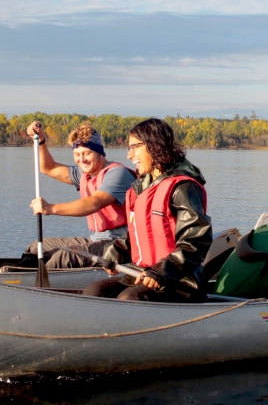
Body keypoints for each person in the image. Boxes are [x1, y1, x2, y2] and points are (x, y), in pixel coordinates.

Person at [83, 118, 212, 302]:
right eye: (129, 148)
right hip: (144, 274)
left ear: (154, 145)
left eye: (134, 147)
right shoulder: (142, 188)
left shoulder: (183, 187)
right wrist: (115, 252)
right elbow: (139, 237)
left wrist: (161, 271)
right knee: (95, 290)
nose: (129, 155)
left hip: (180, 281)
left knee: (129, 298)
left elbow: (196, 241)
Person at [24, 121, 136, 268]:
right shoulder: (83, 174)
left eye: (87, 153)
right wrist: (41, 141)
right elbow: (48, 168)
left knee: (65, 257)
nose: (81, 159)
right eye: (77, 154)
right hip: (96, 239)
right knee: (36, 247)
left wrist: (50, 208)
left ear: (99, 152)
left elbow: (93, 203)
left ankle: (39, 287)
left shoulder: (117, 173)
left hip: (120, 243)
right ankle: (17, 278)